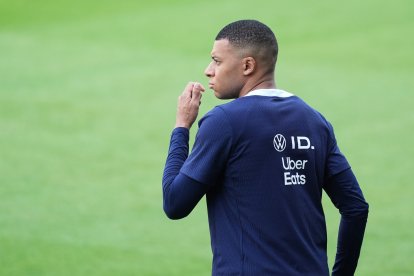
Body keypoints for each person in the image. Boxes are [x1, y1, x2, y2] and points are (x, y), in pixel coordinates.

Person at [162, 19, 368, 276]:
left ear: (247, 65)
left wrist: (181, 126)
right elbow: (356, 207)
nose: (208, 70)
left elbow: (174, 203)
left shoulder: (224, 122)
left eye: (217, 61)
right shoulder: (314, 121)